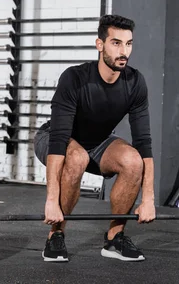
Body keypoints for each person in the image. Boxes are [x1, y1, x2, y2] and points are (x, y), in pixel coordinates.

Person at [34, 14, 156, 263]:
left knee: (133, 161)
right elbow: (58, 140)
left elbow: (144, 143)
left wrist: (149, 199)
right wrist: (51, 201)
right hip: (55, 139)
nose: (124, 51)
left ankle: (114, 239)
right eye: (116, 43)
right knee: (76, 157)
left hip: (98, 143)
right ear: (99, 45)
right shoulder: (75, 79)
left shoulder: (135, 82)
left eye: (128, 43)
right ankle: (55, 235)